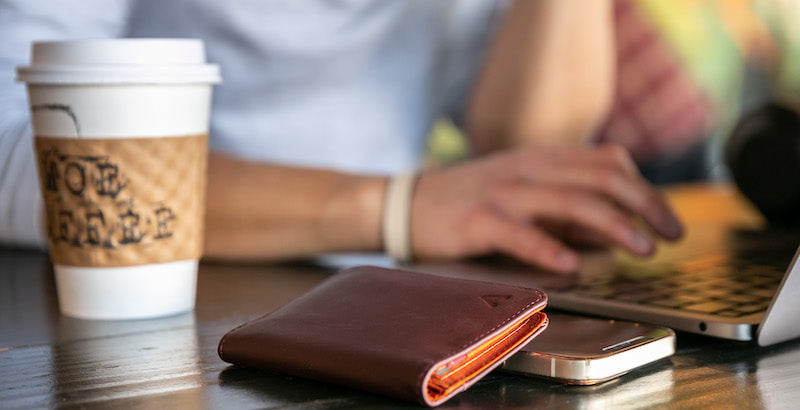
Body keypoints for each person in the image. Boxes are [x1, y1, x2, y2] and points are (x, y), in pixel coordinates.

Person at [0, 0, 683, 274]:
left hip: (374, 313)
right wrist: (393, 208)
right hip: (150, 306)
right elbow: (16, 146)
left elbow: (524, 147)